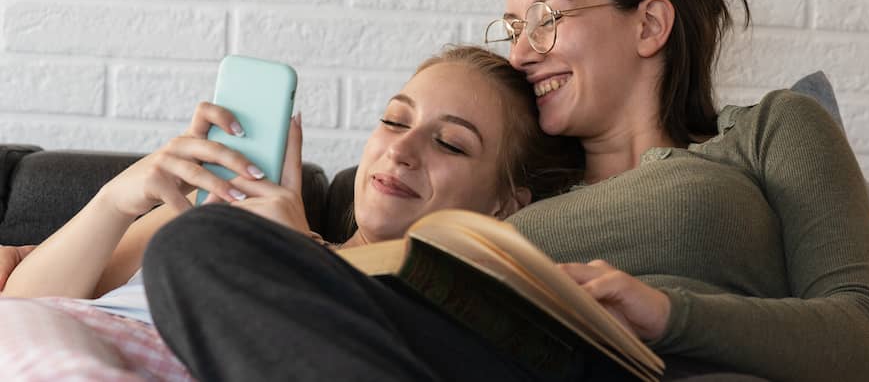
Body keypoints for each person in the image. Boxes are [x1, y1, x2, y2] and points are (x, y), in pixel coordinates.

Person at [142, 0, 869, 381]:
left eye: (546, 17)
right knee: (197, 248)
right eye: (514, 27)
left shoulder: (767, 131)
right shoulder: (510, 184)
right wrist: (304, 245)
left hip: (642, 366)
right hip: (474, 355)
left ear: (649, 23)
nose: (522, 51)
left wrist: (665, 312)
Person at [0, 45, 581, 381]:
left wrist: (290, 268)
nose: (401, 151)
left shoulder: (442, 317)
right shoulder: (206, 220)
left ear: (506, 203)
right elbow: (23, 308)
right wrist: (118, 200)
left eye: (450, 143)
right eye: (394, 120)